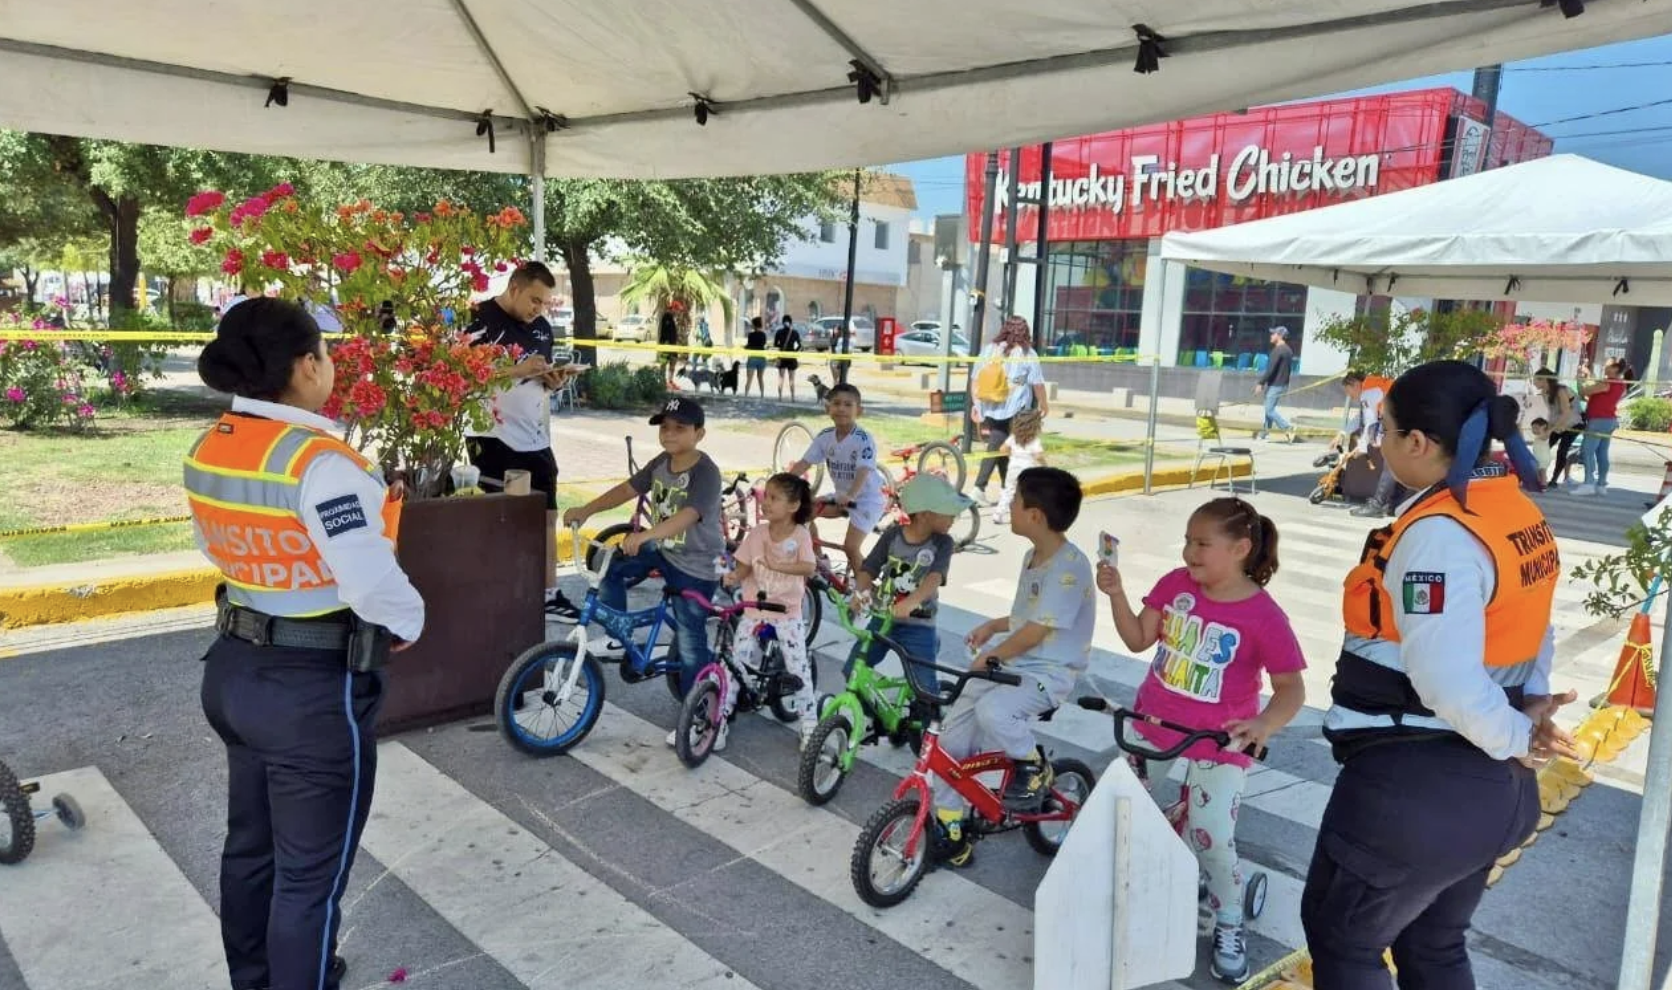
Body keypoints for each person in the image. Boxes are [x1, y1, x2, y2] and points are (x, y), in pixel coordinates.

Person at [1302, 359, 1579, 988]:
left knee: (1345, 945)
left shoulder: (1440, 535)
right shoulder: (1513, 512)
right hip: (1488, 793)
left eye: (1386, 431)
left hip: (1419, 788)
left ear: (1419, 444)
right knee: (1434, 944)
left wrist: (1518, 734)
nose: (1379, 443)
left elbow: (1446, 681)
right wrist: (1526, 703)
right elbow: (1536, 626)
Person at [187, 298, 424, 990]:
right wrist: (411, 625)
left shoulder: (213, 446)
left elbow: (217, 545)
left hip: (233, 668)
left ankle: (258, 979)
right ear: (305, 365)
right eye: (324, 353)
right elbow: (373, 584)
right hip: (310, 690)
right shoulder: (320, 463)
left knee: (251, 851)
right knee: (309, 880)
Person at [1095, 497, 1306, 983]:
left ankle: (1229, 919)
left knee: (1211, 835)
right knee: (1122, 812)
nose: (1189, 550)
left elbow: (1292, 688)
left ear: (1240, 549)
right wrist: (1116, 593)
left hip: (1221, 742)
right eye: (1187, 540)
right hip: (1155, 726)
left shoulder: (1264, 616)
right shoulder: (1175, 584)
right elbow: (1135, 639)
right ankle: (1127, 887)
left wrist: (1263, 725)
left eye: (1201, 543)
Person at [936, 467, 1097, 867]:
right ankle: (951, 827)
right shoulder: (1033, 556)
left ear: (1036, 515)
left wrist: (991, 656)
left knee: (994, 711)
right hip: (1016, 659)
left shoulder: (1070, 568)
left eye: (1016, 500)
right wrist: (993, 626)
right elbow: (1026, 617)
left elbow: (1038, 631)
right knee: (949, 743)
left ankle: (1033, 766)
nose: (1009, 506)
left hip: (1048, 673)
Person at [561, 396, 726, 727]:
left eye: (680, 428)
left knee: (691, 642)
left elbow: (689, 516)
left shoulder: (705, 471)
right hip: (664, 551)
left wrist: (647, 536)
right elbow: (626, 490)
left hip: (698, 564)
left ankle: (704, 716)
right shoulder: (661, 462)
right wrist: (587, 510)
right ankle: (617, 629)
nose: (670, 434)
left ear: (700, 434)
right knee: (609, 565)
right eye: (664, 427)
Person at [462, 262, 584, 621]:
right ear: (514, 287)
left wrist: (554, 379)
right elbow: (464, 375)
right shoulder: (479, 318)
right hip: (492, 435)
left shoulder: (543, 328)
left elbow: (539, 378)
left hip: (535, 436)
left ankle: (549, 594)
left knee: (546, 514)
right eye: (534, 300)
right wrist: (516, 369)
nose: (538, 310)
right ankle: (496, 588)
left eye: (544, 303)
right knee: (502, 517)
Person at [847, 474, 969, 700]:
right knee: (852, 671)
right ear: (924, 515)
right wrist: (860, 592)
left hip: (918, 625)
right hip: (883, 619)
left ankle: (927, 730)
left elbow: (934, 578)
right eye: (949, 512)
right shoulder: (892, 536)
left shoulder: (942, 542)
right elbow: (869, 568)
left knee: (924, 690)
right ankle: (876, 720)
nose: (954, 517)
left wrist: (911, 602)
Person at [722, 472, 819, 748]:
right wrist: (732, 576)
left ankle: (809, 724)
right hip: (754, 609)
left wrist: (779, 566)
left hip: (786, 612)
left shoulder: (800, 535)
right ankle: (719, 718)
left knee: (797, 666)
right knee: (734, 662)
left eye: (774, 498)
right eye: (766, 496)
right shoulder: (756, 533)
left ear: (793, 506)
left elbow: (808, 567)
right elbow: (744, 565)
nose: (765, 502)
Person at [785, 382, 886, 578]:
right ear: (827, 408)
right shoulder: (825, 437)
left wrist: (851, 495)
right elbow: (804, 462)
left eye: (848, 405)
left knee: (851, 547)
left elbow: (864, 470)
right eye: (837, 403)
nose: (841, 408)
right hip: (841, 497)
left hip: (866, 500)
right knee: (804, 513)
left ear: (859, 411)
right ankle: (819, 561)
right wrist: (780, 484)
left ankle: (865, 591)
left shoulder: (863, 439)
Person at [969, 315, 1048, 506]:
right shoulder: (1028, 354)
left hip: (991, 405)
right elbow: (1037, 384)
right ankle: (979, 488)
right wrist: (1044, 404)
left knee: (1003, 446)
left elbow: (975, 380)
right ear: (1025, 333)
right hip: (1017, 409)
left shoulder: (989, 349)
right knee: (998, 444)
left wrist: (977, 405)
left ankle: (1007, 490)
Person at [1573, 357, 1630, 496]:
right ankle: (1601, 484)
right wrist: (1589, 377)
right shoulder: (1621, 384)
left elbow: (1584, 392)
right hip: (1609, 421)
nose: (1605, 367)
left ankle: (1588, 483)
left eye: (1608, 365)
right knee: (1602, 452)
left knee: (1587, 451)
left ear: (1616, 369)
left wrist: (1579, 380)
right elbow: (1597, 396)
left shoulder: (1607, 383)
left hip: (1598, 421)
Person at [993, 407, 1046, 527]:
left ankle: (998, 514)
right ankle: (1027, 516)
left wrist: (1011, 456)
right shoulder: (1034, 440)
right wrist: (1045, 465)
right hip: (1028, 471)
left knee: (1008, 491)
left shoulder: (1013, 437)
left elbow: (1002, 449)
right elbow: (1038, 456)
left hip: (1013, 468)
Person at [1531, 367, 1582, 489]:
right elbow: (1551, 412)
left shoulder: (1561, 390)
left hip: (1573, 423)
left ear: (1544, 380)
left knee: (1562, 450)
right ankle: (1539, 476)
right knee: (1542, 447)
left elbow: (1566, 412)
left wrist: (1550, 430)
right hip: (1557, 423)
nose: (1534, 383)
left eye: (1536, 380)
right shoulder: (1544, 393)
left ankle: (1554, 480)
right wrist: (1546, 428)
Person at [1253, 327, 1297, 443]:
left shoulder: (1278, 351)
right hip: (1281, 383)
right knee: (1269, 408)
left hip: (1275, 384)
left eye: (1273, 334)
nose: (1271, 336)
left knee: (1269, 410)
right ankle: (1265, 433)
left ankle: (1288, 428)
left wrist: (1261, 383)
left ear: (1280, 336)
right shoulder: (1288, 350)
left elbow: (1270, 369)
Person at [774, 315, 803, 402]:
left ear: (783, 322)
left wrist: (781, 346)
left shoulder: (778, 332)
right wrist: (794, 351)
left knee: (781, 377)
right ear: (791, 322)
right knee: (791, 378)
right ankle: (793, 397)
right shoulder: (795, 332)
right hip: (791, 356)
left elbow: (775, 344)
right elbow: (800, 345)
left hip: (782, 356)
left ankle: (780, 397)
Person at [744, 316, 769, 398]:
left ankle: (746, 395)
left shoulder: (751, 335)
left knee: (749, 379)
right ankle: (762, 395)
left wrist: (744, 347)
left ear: (754, 325)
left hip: (753, 357)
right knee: (760, 378)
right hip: (762, 357)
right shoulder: (763, 335)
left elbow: (749, 346)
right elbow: (763, 345)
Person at [657, 311, 681, 389]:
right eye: (677, 310)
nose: (678, 312)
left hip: (673, 345)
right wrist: (665, 344)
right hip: (666, 345)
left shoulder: (673, 319)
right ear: (673, 309)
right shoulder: (667, 317)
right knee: (664, 364)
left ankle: (670, 381)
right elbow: (665, 332)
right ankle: (662, 381)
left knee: (673, 362)